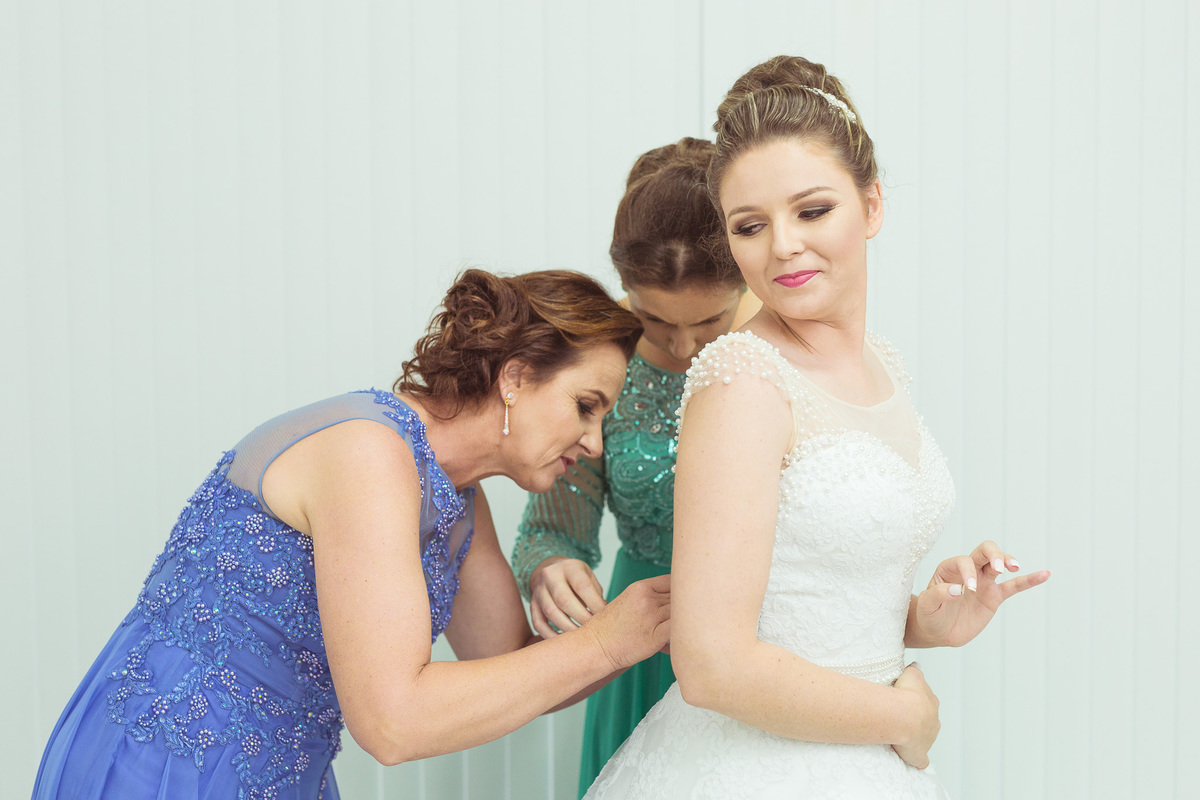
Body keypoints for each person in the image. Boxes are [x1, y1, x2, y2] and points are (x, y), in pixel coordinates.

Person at [585, 56, 1051, 799]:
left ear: (872, 205)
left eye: (811, 211)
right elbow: (711, 665)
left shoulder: (881, 363)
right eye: (749, 225)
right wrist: (901, 715)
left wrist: (926, 618)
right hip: (753, 770)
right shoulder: (742, 380)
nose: (783, 247)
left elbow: (806, 598)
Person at [33, 269, 671, 800]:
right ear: (515, 376)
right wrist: (609, 644)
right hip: (169, 759)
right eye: (586, 406)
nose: (593, 443)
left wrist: (654, 624)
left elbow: (512, 667)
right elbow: (394, 721)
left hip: (284, 773)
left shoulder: (459, 501)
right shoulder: (371, 452)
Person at [510, 137, 759, 796]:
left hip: (769, 640)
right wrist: (551, 567)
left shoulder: (792, 347)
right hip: (644, 640)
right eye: (653, 320)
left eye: (710, 321)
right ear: (624, 289)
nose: (682, 346)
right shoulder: (599, 367)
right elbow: (554, 530)